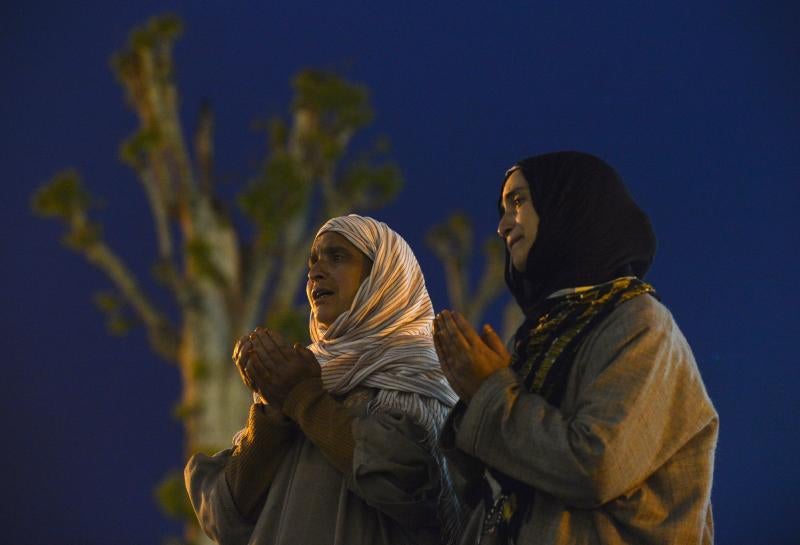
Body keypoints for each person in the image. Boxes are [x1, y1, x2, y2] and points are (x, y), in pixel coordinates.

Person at [434, 151, 718, 544]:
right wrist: (471, 398)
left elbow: (596, 466)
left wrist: (488, 392)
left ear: (568, 205)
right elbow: (484, 494)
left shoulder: (641, 324)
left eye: (518, 201)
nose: (502, 226)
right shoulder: (536, 337)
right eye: (503, 208)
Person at [185, 214, 460, 545]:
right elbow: (225, 519)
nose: (315, 271)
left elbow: (409, 482)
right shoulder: (303, 374)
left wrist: (305, 399)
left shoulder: (423, 374)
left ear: (383, 278)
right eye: (313, 261)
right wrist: (272, 415)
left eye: (338, 257)